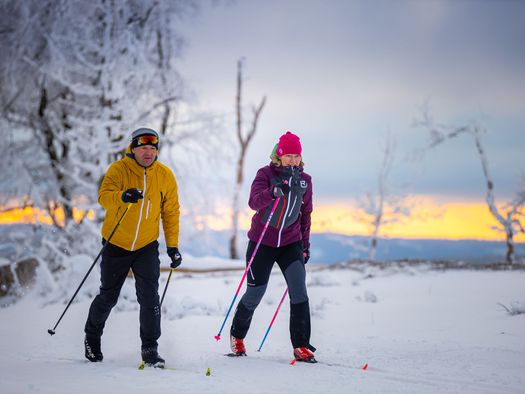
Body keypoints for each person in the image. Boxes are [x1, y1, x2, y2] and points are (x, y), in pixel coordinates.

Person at [83, 128, 182, 368]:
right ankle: (92, 338)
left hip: (146, 245)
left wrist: (172, 246)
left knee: (150, 297)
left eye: (153, 148)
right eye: (144, 148)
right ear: (133, 148)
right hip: (116, 242)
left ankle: (150, 349)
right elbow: (104, 196)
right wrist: (122, 196)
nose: (148, 153)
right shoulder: (119, 170)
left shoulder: (165, 175)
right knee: (108, 296)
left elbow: (170, 213)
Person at [229, 131, 317, 363]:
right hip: (263, 242)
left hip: (291, 243)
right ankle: (237, 336)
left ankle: (300, 345)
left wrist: (305, 245)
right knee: (255, 293)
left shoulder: (305, 180)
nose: (293, 160)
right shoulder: (266, 174)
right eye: (288, 155)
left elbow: (305, 214)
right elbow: (253, 202)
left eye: (296, 156)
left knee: (299, 291)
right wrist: (273, 191)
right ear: (279, 155)